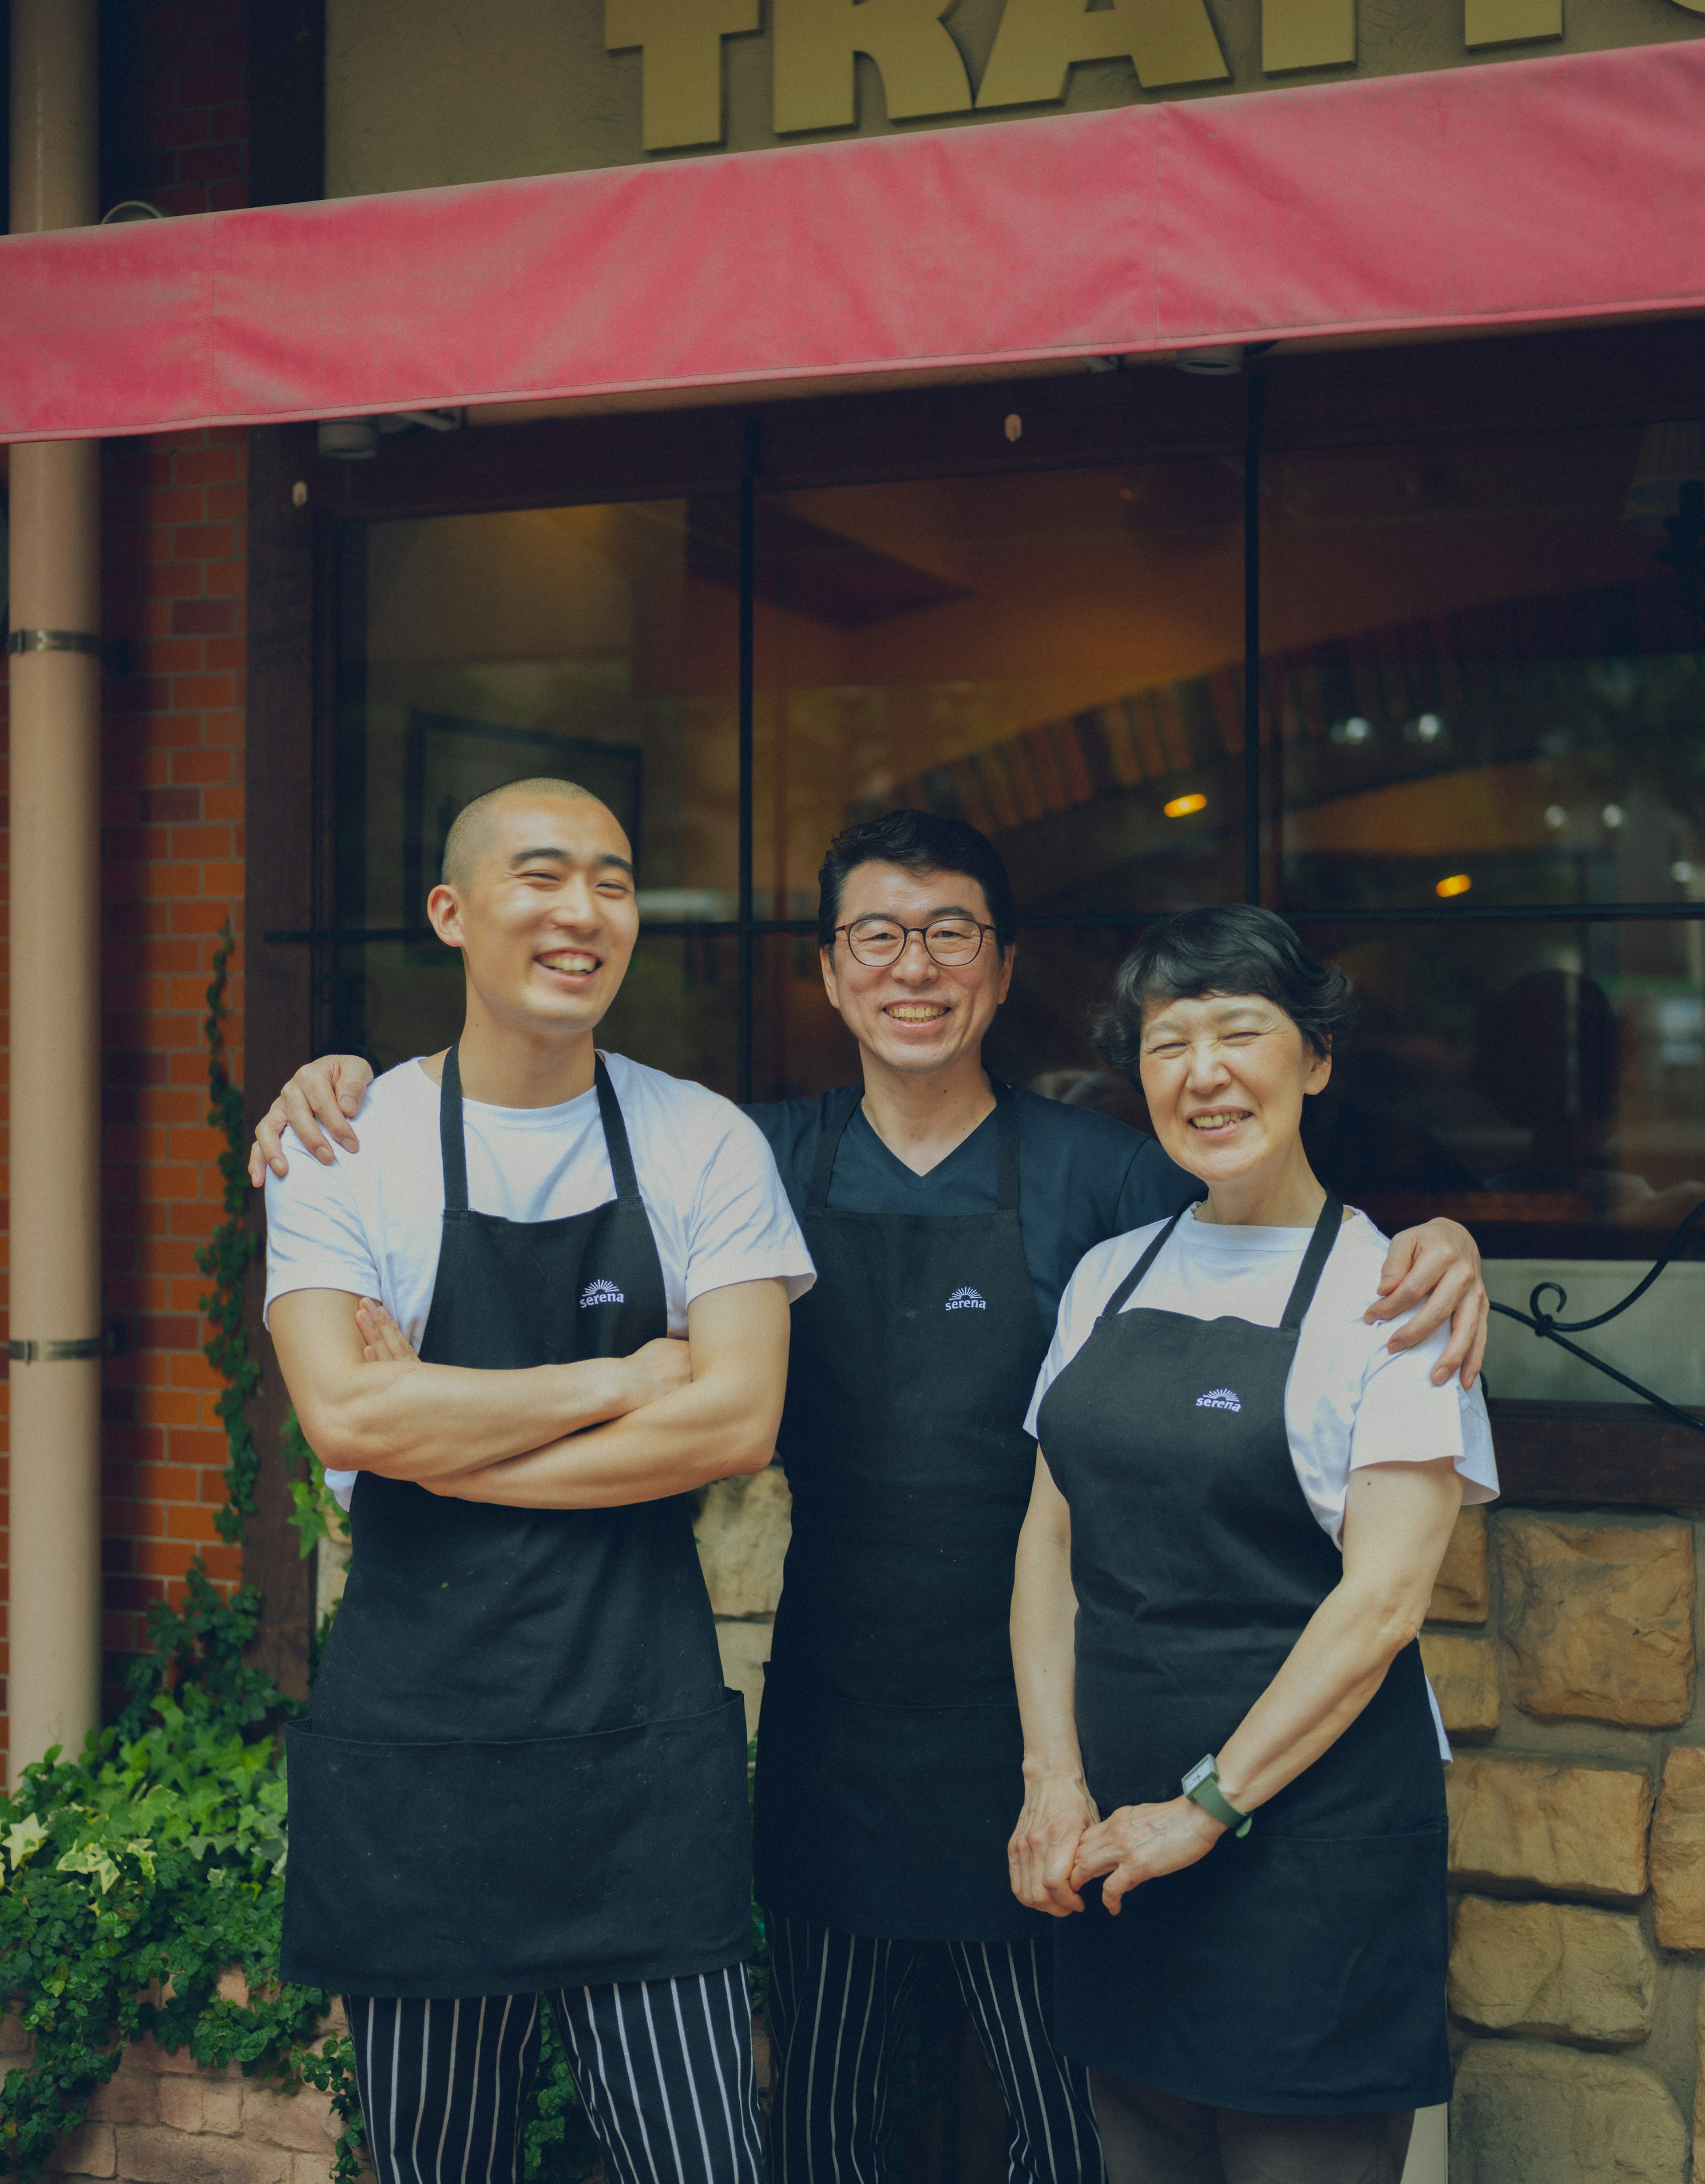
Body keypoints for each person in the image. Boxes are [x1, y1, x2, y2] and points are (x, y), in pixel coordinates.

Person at [254, 814, 1490, 2184]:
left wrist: (1439, 1243)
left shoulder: (1105, 1176)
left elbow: (1266, 1213)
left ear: (1004, 970)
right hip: (841, 1717)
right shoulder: (748, 1152)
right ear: (832, 976)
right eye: (878, 938)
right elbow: (518, 1133)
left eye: (951, 933)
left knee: (1071, 2121)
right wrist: (344, 1085)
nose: (916, 968)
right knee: (823, 2116)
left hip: (1051, 1733)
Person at [262, 777, 814, 2184]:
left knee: (703, 2162)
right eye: (547, 876)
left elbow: (740, 1420)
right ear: (452, 914)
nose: (585, 913)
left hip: (638, 1747)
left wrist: (435, 1432)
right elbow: (338, 1404)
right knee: (440, 2164)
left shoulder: (703, 1141)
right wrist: (627, 1381)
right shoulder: (347, 1146)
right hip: (421, 1758)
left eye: (616, 883)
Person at [1008, 905, 1497, 2184]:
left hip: (1308, 1859)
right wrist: (1053, 1779)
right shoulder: (1108, 1274)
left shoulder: (1395, 1294)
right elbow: (1050, 1545)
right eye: (1169, 1042)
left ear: (1316, 1059)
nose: (1205, 1071)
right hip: (1120, 1850)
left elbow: (1383, 1604)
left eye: (1243, 1031)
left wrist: (1207, 1807)